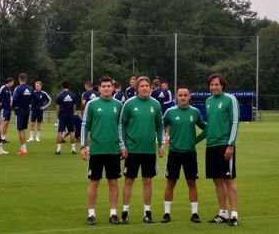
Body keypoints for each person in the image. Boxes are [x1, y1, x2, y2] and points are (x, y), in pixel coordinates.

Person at [80, 76, 126, 225]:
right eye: (103, 86)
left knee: (113, 182)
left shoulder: (119, 105)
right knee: (94, 182)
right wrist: (83, 146)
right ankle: (91, 214)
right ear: (99, 88)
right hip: (97, 150)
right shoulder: (92, 105)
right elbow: (85, 125)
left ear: (113, 88)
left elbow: (121, 127)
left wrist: (122, 145)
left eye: (109, 86)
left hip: (113, 150)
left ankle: (113, 214)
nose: (106, 88)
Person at [119, 76, 164, 224]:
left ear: (151, 87)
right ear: (137, 89)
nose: (145, 88)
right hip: (132, 150)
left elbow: (160, 125)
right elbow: (122, 124)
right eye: (142, 86)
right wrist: (123, 145)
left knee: (147, 181)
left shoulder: (156, 104)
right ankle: (125, 212)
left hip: (149, 150)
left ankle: (147, 213)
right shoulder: (129, 104)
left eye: (147, 86)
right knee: (129, 181)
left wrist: (160, 144)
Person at [160, 86, 206, 223]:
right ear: (176, 97)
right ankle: (167, 213)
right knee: (170, 182)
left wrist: (195, 140)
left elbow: (206, 128)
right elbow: (160, 125)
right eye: (180, 95)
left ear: (189, 96)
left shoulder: (195, 112)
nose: (183, 97)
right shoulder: (170, 112)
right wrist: (161, 141)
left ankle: (195, 213)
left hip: (190, 153)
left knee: (191, 182)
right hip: (174, 153)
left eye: (185, 95)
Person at [203, 73, 240, 226]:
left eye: (216, 84)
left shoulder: (230, 99)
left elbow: (235, 121)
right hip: (211, 145)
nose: (214, 87)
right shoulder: (208, 101)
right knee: (217, 180)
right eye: (211, 85)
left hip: (225, 145)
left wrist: (231, 144)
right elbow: (209, 126)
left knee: (228, 180)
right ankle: (222, 213)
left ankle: (234, 215)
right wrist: (194, 140)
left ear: (222, 85)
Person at [12, 73, 34, 155]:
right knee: (23, 129)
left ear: (19, 79)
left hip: (20, 110)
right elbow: (35, 98)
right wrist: (31, 106)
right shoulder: (31, 88)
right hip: (27, 110)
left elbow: (14, 99)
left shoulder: (18, 88)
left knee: (20, 129)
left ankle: (24, 150)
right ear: (26, 79)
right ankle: (23, 148)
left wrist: (14, 107)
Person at [55, 80, 77, 155]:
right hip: (70, 116)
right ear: (69, 86)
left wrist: (58, 115)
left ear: (62, 86)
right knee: (72, 132)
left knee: (60, 132)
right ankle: (73, 150)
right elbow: (74, 106)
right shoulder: (72, 95)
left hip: (62, 116)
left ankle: (58, 150)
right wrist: (73, 113)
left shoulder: (60, 95)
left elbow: (58, 107)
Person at [0, 77, 14, 143]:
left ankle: (3, 138)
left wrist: (12, 103)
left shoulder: (9, 89)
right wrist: (0, 102)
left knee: (7, 123)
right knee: (3, 122)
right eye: (12, 82)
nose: (13, 84)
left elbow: (11, 98)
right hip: (4, 108)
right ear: (9, 82)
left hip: (9, 108)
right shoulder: (3, 87)